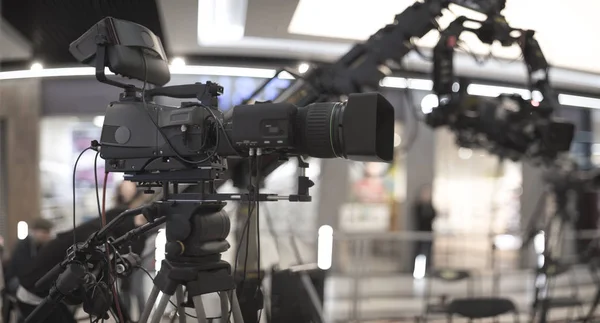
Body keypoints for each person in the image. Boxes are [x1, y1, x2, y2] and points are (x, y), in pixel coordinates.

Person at [16, 182, 148, 323]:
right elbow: (103, 286)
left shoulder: (95, 234)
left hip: (46, 293)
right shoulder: (90, 242)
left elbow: (106, 286)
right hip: (34, 297)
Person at [413, 184, 437, 271]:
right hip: (420, 233)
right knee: (420, 252)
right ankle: (419, 270)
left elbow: (433, 215)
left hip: (428, 233)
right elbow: (421, 219)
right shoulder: (419, 206)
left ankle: (428, 269)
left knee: (429, 252)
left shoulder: (430, 206)